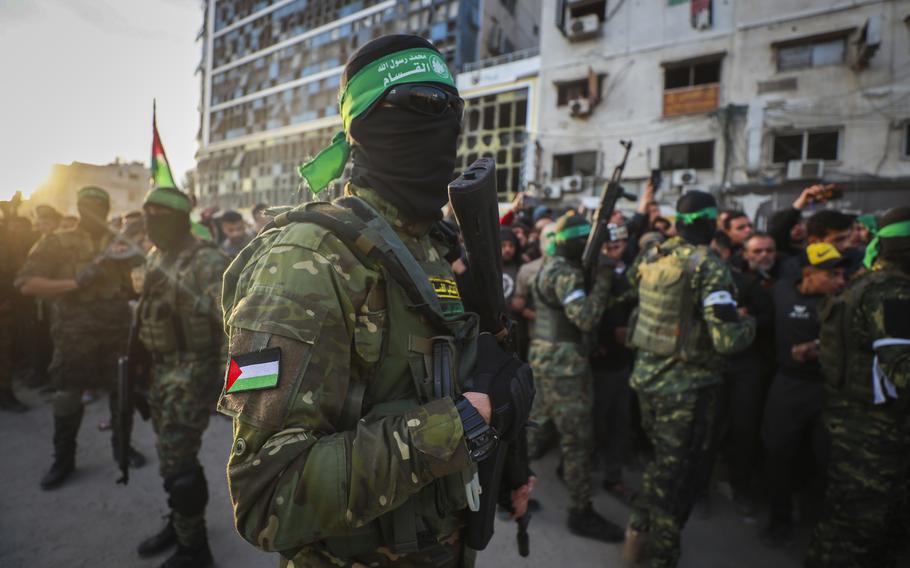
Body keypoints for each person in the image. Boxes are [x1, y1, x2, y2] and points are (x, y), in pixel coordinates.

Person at [217, 35, 535, 568]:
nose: (445, 122)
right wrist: (466, 423)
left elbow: (442, 383)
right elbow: (264, 498)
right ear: (363, 125)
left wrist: (502, 466)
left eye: (452, 106)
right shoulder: (305, 261)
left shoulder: (434, 247)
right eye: (425, 104)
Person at [623, 190, 755, 567]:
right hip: (687, 389)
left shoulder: (653, 254)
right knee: (676, 480)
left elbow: (640, 297)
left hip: (647, 379)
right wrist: (748, 322)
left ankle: (637, 533)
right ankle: (662, 556)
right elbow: (727, 340)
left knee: (662, 464)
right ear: (711, 222)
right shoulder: (709, 266)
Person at [15, 186, 145, 488]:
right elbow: (27, 284)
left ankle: (122, 447)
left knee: (121, 394)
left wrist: (137, 261)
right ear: (79, 207)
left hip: (116, 333)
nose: (94, 212)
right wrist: (74, 282)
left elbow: (140, 283)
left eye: (100, 207)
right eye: (88, 206)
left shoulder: (119, 242)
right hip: (74, 334)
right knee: (67, 397)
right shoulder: (57, 241)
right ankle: (64, 458)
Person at [806, 206, 910, 567]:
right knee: (858, 531)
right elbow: (904, 371)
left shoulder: (865, 282)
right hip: (874, 433)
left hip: (855, 422)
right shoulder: (891, 293)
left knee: (844, 524)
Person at [133, 187, 228, 568]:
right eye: (147, 214)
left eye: (160, 215)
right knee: (171, 456)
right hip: (160, 370)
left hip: (192, 373)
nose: (151, 222)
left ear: (180, 218)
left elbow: (232, 327)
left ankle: (195, 548)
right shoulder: (158, 255)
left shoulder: (208, 262)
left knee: (178, 463)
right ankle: (181, 521)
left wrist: (228, 388)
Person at [527, 213, 626, 543]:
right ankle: (580, 511)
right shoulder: (567, 274)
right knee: (577, 440)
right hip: (565, 366)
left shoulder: (550, 266)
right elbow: (585, 318)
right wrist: (603, 279)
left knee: (537, 427)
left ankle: (505, 489)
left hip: (545, 357)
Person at [759, 242, 847, 547]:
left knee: (825, 457)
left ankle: (818, 518)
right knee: (778, 452)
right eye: (831, 274)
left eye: (841, 273)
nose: (839, 280)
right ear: (808, 273)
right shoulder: (781, 291)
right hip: (787, 386)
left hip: (827, 390)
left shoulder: (843, 303)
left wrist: (820, 350)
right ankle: (779, 518)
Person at [590, 222, 637, 502]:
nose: (613, 250)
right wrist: (606, 335)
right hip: (598, 363)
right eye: (608, 245)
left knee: (621, 422)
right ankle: (575, 468)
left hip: (622, 363)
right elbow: (585, 316)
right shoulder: (591, 273)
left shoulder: (628, 273)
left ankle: (613, 476)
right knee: (593, 424)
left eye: (618, 244)